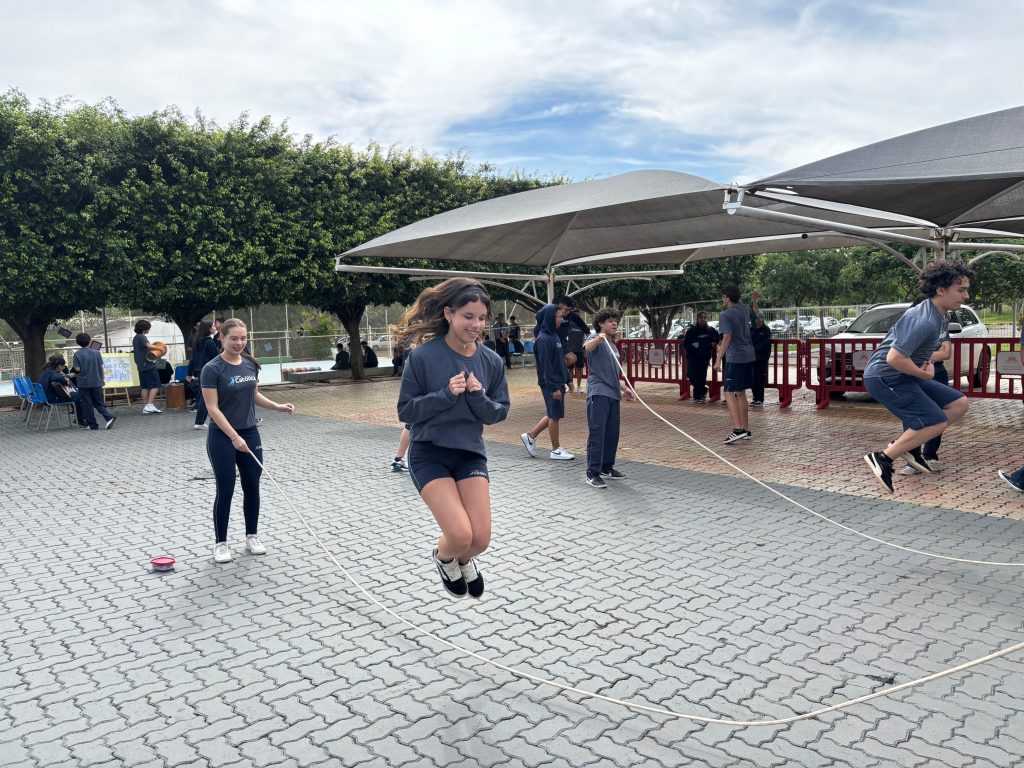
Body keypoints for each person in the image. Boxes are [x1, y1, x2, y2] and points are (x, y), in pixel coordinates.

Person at [395, 277, 510, 598]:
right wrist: (446, 394)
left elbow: (498, 413)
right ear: (448, 314)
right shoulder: (422, 357)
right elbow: (406, 411)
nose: (476, 325)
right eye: (468, 317)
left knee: (481, 540)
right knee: (460, 536)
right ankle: (446, 558)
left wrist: (477, 396)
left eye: (482, 318)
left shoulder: (491, 361)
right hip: (429, 454)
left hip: (469, 453)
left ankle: (465, 559)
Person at [863, 261, 973, 494]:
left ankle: (910, 447)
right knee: (935, 420)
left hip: (904, 375)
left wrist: (924, 366)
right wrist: (923, 373)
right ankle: (882, 458)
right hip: (885, 377)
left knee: (959, 403)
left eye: (966, 289)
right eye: (960, 290)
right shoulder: (922, 319)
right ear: (940, 290)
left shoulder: (939, 314)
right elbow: (894, 358)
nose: (966, 296)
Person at [202, 318, 295, 563]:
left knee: (252, 486)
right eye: (234, 338)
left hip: (250, 433)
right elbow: (212, 408)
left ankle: (251, 535)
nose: (239, 343)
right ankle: (221, 543)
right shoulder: (212, 368)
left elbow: (253, 394)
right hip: (222, 436)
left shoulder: (250, 364)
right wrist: (233, 436)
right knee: (226, 488)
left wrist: (277, 406)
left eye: (243, 338)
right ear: (222, 338)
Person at [583, 308, 635, 488]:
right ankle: (592, 472)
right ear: (600, 324)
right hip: (598, 393)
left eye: (616, 321)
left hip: (613, 394)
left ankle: (607, 467)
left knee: (612, 434)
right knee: (597, 433)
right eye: (610, 321)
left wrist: (626, 388)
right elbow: (587, 348)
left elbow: (614, 374)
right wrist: (598, 338)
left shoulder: (613, 345)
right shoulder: (595, 338)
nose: (614, 324)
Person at [901, 305, 952, 475]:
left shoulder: (941, 324)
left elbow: (946, 353)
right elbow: (902, 353)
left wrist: (922, 357)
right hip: (913, 373)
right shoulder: (913, 324)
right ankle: (913, 458)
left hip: (936, 373)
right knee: (912, 415)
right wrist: (929, 355)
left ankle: (929, 455)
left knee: (939, 414)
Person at [520, 302, 575, 461]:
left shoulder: (554, 336)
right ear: (550, 318)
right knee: (554, 415)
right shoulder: (544, 340)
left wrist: (568, 379)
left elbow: (559, 361)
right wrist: (554, 388)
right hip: (552, 383)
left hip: (558, 382)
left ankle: (530, 436)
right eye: (558, 317)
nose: (561, 319)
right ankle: (555, 449)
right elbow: (546, 367)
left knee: (553, 413)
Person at [714, 286, 756, 443]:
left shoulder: (725, 314)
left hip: (735, 357)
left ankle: (737, 429)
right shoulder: (745, 309)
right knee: (741, 392)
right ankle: (745, 429)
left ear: (727, 297)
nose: (722, 300)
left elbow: (727, 337)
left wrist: (718, 359)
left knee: (729, 392)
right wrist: (754, 300)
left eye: (723, 297)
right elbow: (757, 316)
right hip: (749, 355)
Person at [72, 333, 116, 429]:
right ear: (90, 341)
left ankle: (93, 424)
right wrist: (102, 379)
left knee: (87, 404)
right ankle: (108, 417)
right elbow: (101, 368)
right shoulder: (96, 352)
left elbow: (77, 369)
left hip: (83, 383)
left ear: (78, 343)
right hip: (96, 381)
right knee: (98, 403)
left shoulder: (77, 354)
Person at [39, 354, 92, 428]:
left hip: (46, 398)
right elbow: (59, 378)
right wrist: (65, 381)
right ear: (59, 366)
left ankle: (80, 418)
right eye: (63, 366)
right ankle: (82, 419)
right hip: (53, 399)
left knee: (76, 396)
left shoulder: (45, 372)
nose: (64, 368)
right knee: (81, 395)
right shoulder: (53, 374)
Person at [681, 312, 719, 403]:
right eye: (701, 317)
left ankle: (699, 396)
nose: (703, 319)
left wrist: (714, 341)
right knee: (690, 374)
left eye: (704, 317)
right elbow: (686, 344)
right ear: (697, 319)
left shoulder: (710, 330)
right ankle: (703, 390)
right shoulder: (691, 330)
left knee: (702, 376)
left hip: (704, 357)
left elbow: (718, 336)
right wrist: (695, 348)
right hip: (692, 357)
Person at [188, 320, 219, 429]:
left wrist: (189, 372)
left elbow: (192, 359)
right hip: (208, 372)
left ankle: (203, 421)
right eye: (213, 326)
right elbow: (216, 357)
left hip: (199, 371)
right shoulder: (209, 342)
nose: (215, 327)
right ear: (208, 329)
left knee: (204, 397)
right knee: (205, 398)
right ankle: (200, 422)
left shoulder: (198, 341)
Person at [132, 320, 163, 414]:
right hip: (148, 364)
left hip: (140, 365)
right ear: (144, 328)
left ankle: (146, 407)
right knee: (155, 385)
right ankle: (149, 404)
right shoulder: (142, 336)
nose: (149, 330)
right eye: (148, 328)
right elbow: (148, 345)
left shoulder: (135, 337)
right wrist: (160, 348)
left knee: (144, 386)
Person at [750, 293, 772, 407]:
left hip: (761, 359)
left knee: (759, 379)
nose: (755, 319)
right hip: (752, 359)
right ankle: (755, 398)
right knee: (753, 379)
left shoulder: (766, 330)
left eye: (757, 318)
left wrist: (754, 349)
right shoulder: (751, 330)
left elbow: (764, 343)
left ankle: (760, 399)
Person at [565, 320, 587, 393]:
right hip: (570, 350)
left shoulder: (582, 325)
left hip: (580, 351)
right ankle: (570, 386)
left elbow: (587, 336)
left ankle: (579, 387)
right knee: (570, 369)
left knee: (579, 369)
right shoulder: (568, 325)